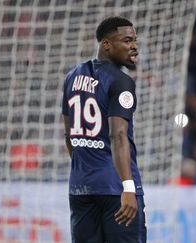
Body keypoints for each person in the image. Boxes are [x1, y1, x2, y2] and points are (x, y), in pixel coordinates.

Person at [61, 16, 146, 242]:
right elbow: (118, 134)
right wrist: (128, 187)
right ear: (106, 45)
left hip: (81, 188)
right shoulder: (121, 81)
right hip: (115, 189)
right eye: (127, 41)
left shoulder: (71, 77)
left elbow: (69, 134)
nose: (134, 46)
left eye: (135, 41)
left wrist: (86, 165)